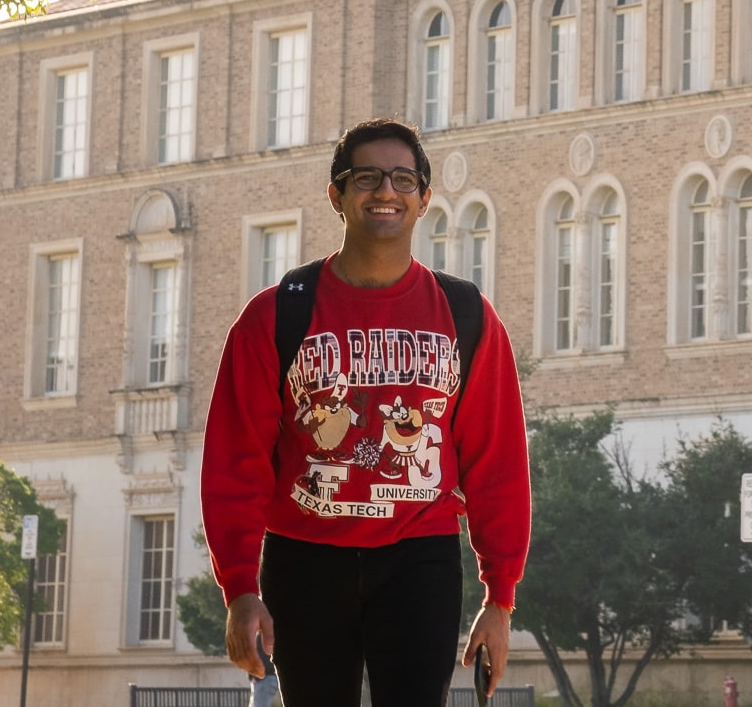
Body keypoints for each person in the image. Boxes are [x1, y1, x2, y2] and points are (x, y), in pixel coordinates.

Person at [203, 118, 531, 707]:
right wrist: (239, 588)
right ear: (337, 194)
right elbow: (235, 462)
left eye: (404, 178)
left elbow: (497, 465)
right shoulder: (275, 316)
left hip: (419, 558)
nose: (387, 190)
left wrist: (499, 598)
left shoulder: (466, 315)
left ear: (425, 198)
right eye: (368, 177)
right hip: (304, 560)